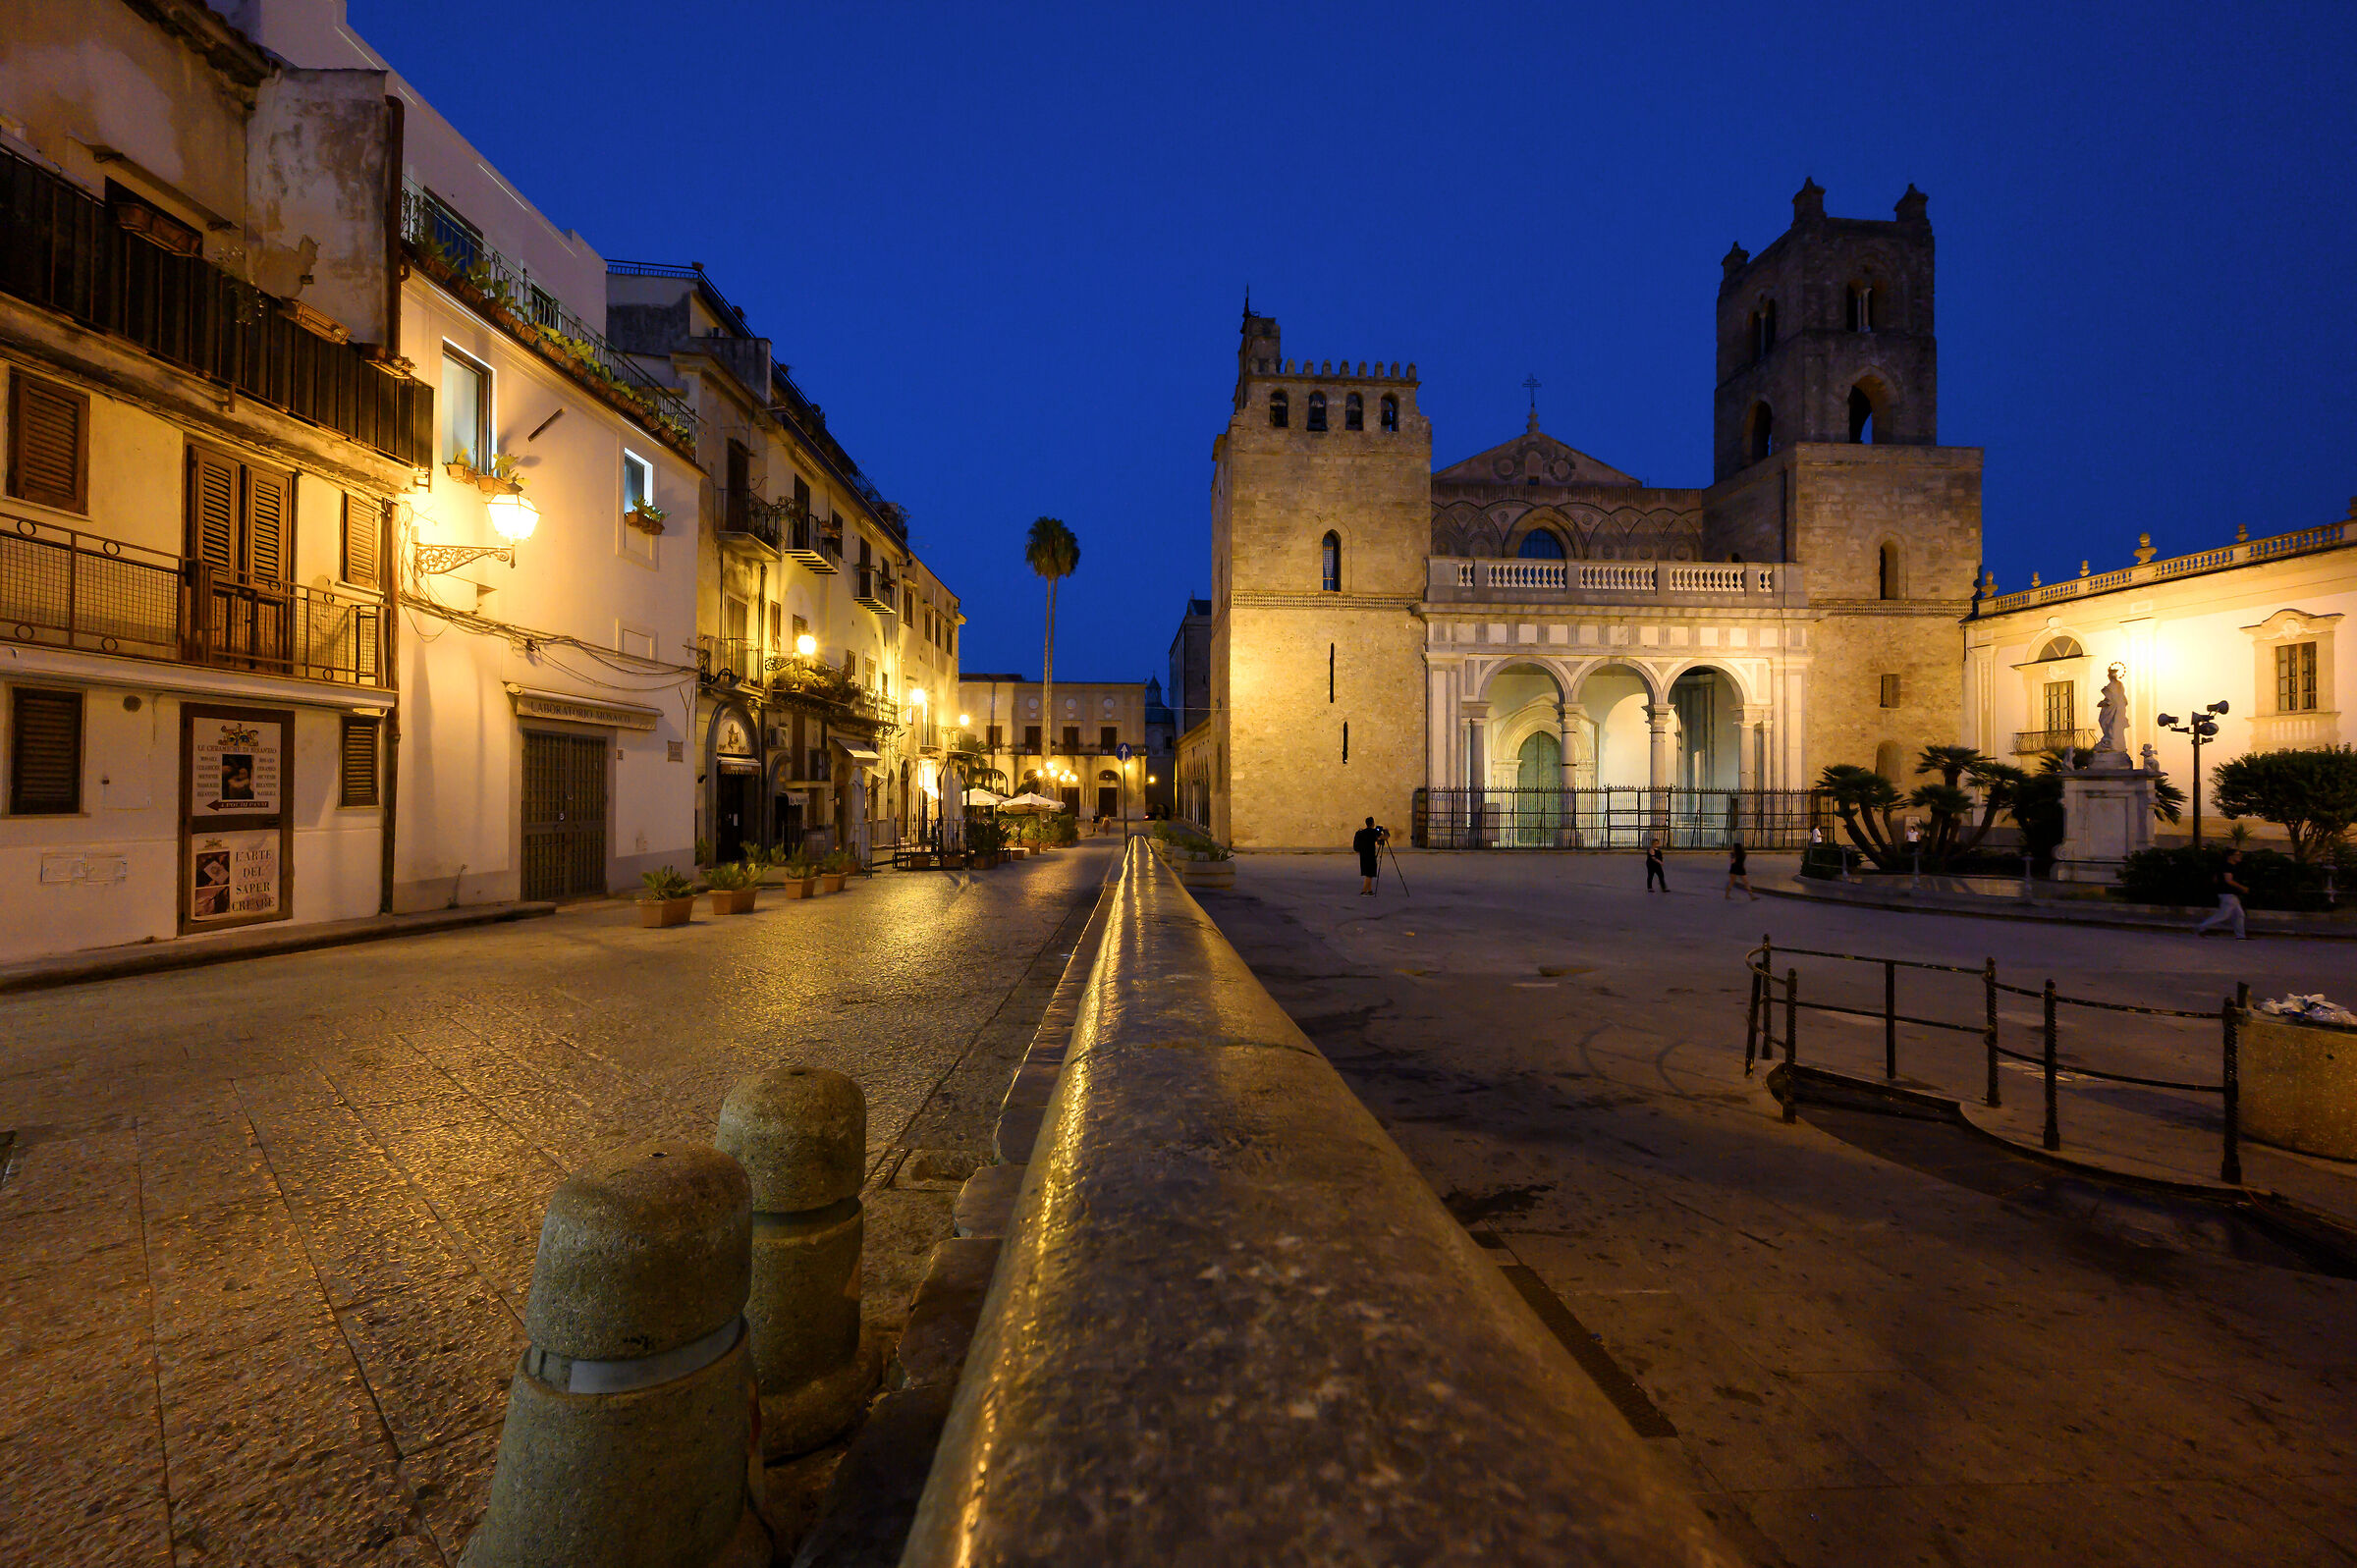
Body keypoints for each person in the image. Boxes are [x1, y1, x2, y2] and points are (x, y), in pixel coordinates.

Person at [2195, 849, 2249, 940]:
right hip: (2228, 894)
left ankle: (2241, 936)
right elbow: (2229, 880)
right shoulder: (2228, 866)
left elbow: (2215, 879)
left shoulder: (2223, 866)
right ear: (2230, 856)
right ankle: (2200, 927)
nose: (2240, 856)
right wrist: (2242, 887)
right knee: (2223, 915)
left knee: (2239, 915)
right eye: (2238, 854)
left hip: (2227, 894)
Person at [1353, 816, 1386, 895]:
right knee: (1370, 873)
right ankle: (1363, 891)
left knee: (1368, 873)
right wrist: (1386, 832)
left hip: (1363, 855)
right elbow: (1384, 837)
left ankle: (1369, 890)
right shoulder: (1373, 832)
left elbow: (1377, 841)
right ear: (1373, 823)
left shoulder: (1363, 832)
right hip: (1370, 855)